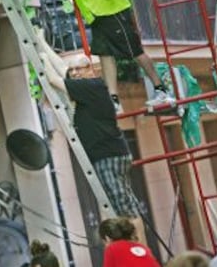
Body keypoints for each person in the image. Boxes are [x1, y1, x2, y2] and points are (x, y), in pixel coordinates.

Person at [38, 29, 146, 243]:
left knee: (124, 212)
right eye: (75, 69)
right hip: (111, 153)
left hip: (107, 156)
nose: (76, 72)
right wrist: (42, 42)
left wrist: (40, 57)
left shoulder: (92, 86)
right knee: (126, 206)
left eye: (81, 68)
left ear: (92, 69)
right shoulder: (89, 86)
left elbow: (53, 79)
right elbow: (63, 69)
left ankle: (137, 251)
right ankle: (138, 250)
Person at [43, 0, 174, 113]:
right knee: (105, 54)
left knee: (135, 51)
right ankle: (113, 101)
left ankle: (162, 91)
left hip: (111, 9)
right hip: (99, 11)